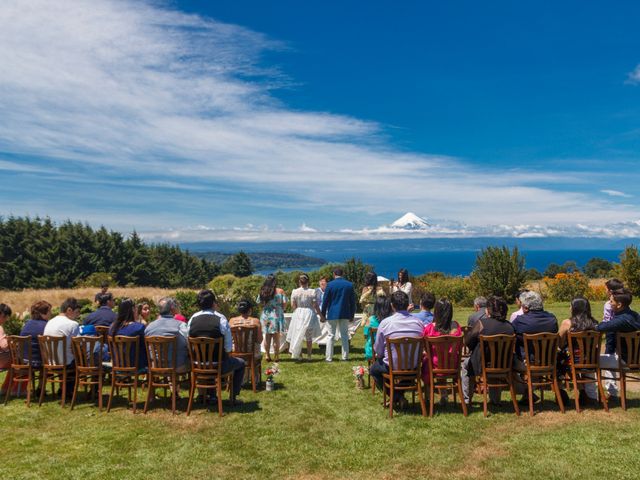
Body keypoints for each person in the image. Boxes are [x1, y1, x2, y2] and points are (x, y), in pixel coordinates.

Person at [189, 290, 245, 403]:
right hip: (218, 366)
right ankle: (233, 397)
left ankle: (209, 396)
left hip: (197, 366)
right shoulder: (221, 319)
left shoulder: (192, 319)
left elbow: (188, 341)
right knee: (241, 363)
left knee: (210, 360)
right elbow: (228, 348)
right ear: (213, 303)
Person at [369, 291, 423, 405]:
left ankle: (395, 396)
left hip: (392, 366)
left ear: (392, 305)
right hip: (413, 366)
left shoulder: (385, 323)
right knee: (406, 372)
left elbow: (378, 351)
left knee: (374, 370)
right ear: (407, 304)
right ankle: (399, 397)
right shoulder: (418, 323)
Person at [461, 296, 515, 406]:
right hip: (504, 363)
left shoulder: (482, 324)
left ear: (488, 310)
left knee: (465, 366)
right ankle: (495, 400)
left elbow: (467, 340)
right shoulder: (509, 326)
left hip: (482, 363)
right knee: (493, 365)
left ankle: (466, 400)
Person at [596, 288, 640, 398]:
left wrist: (593, 325)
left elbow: (602, 327)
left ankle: (591, 395)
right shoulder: (635, 315)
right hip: (637, 359)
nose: (609, 304)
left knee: (592, 360)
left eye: (611, 301)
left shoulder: (621, 320)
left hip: (625, 361)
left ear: (619, 304)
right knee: (609, 357)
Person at [558, 297, 598, 402]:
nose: (569, 308)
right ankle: (583, 391)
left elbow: (559, 343)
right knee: (566, 358)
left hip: (572, 360)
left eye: (570, 305)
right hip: (591, 359)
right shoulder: (595, 323)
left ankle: (560, 391)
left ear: (575, 308)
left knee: (559, 359)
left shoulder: (567, 323)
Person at [421, 299, 462, 404]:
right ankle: (444, 396)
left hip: (434, 365)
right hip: (453, 365)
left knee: (428, 361)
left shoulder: (430, 328)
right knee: (440, 360)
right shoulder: (456, 327)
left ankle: (428, 398)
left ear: (436, 312)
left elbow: (426, 349)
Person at [145, 297, 189, 373]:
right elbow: (188, 344)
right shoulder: (180, 325)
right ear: (172, 309)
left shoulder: (149, 327)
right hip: (177, 366)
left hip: (156, 366)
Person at [321, 268, 356, 362]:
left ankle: (329, 358)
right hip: (345, 312)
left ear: (334, 274)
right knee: (344, 335)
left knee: (330, 335)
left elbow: (325, 301)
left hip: (332, 313)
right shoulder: (349, 285)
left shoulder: (330, 285)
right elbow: (352, 302)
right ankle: (345, 357)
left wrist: (323, 314)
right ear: (342, 274)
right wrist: (352, 314)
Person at [287, 274, 322, 360]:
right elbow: (315, 305)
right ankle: (309, 356)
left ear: (299, 282)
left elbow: (292, 305)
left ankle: (300, 355)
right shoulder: (312, 291)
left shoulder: (295, 291)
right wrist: (320, 315)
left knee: (299, 334)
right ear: (308, 282)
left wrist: (298, 311)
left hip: (298, 313)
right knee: (308, 336)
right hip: (309, 313)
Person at [110, 298, 147, 370]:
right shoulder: (139, 327)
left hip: (117, 364)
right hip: (136, 365)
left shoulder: (112, 328)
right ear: (133, 310)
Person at [257, 274, 287, 362]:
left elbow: (259, 303)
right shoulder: (280, 291)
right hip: (276, 315)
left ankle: (267, 355)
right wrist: (280, 309)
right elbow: (285, 304)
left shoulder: (263, 291)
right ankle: (276, 356)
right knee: (276, 337)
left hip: (266, 315)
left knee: (267, 336)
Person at [43, 298, 81, 366]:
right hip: (67, 363)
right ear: (69, 310)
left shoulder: (50, 322)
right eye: (77, 312)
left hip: (50, 363)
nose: (78, 315)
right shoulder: (73, 324)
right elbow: (78, 347)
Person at [20, 301, 52, 366]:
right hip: (36, 361)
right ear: (42, 313)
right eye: (49, 311)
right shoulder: (46, 326)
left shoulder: (27, 323)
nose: (51, 313)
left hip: (22, 359)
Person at [364, 296, 391, 361]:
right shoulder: (391, 320)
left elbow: (365, 335)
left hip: (372, 352)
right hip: (389, 353)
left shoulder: (370, 320)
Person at [0, 303, 12, 370]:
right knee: (19, 362)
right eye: (7, 317)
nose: (6, 319)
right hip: (1, 361)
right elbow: (4, 346)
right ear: (2, 315)